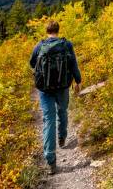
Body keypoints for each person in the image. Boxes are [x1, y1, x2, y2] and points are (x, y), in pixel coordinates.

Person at [29, 20, 82, 175]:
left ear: (47, 31)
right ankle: (62, 137)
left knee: (48, 119)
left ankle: (51, 160)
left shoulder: (39, 45)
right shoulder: (67, 44)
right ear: (58, 30)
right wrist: (78, 81)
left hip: (45, 89)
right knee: (63, 111)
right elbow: (73, 65)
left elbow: (32, 63)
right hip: (63, 86)